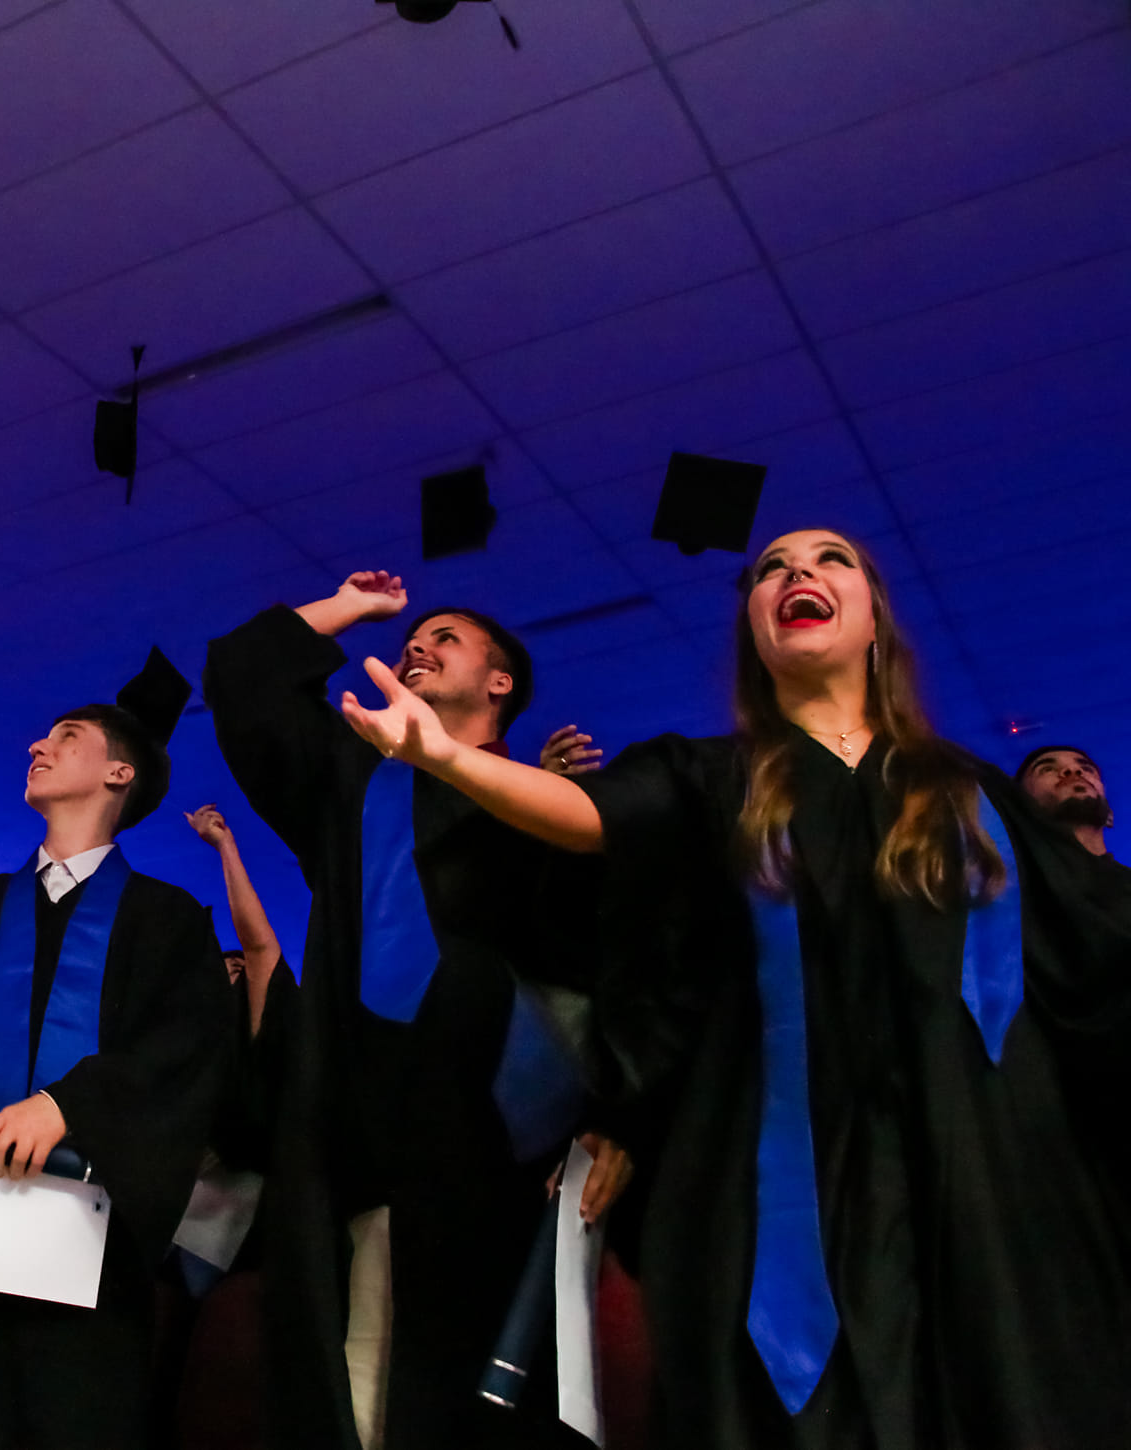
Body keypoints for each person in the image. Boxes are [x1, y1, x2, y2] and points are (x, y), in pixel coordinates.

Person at [336, 530, 1131, 1448]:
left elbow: (1099, 941)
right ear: (755, 628)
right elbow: (595, 817)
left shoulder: (970, 796)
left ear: (875, 618)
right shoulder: (710, 779)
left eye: (831, 560)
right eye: (771, 569)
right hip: (778, 1183)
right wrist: (450, 759)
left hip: (983, 1180)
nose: (798, 574)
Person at [204, 575, 630, 1450]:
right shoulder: (350, 779)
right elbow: (244, 677)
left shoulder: (533, 807)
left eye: (448, 637)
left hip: (491, 1140)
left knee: (472, 1399)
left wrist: (610, 1115)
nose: (419, 644)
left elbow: (599, 974)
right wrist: (347, 608)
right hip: (340, 1128)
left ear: (500, 682)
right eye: (415, 635)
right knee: (345, 1388)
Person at [0, 657, 233, 1450]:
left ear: (119, 772)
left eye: (66, 736)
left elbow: (188, 1052)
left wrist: (69, 1104)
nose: (39, 744)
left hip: (88, 1244)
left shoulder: (169, 922)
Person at [150, 804, 290, 1450]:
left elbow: (262, 948)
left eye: (235, 971)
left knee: (202, 1368)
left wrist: (224, 846)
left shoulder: (257, 1041)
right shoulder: (180, 1037)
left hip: (229, 1220)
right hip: (155, 1206)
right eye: (221, 968)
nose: (229, 973)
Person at [1016, 744, 1123, 869]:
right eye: (1047, 769)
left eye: (1087, 769)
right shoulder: (1006, 883)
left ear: (1110, 815)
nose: (1074, 770)